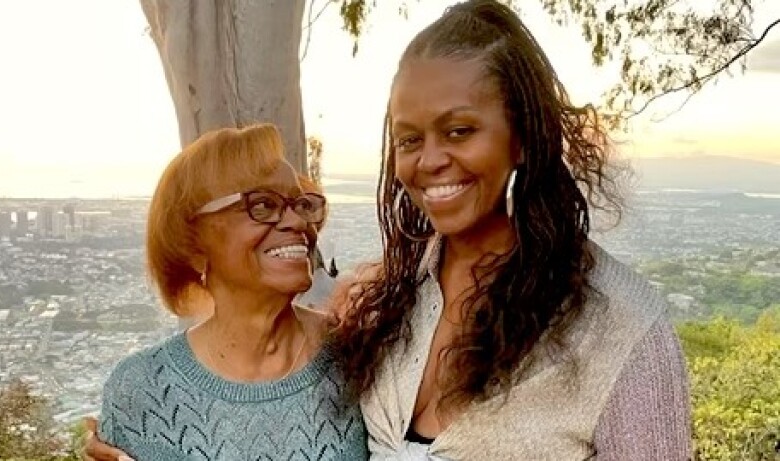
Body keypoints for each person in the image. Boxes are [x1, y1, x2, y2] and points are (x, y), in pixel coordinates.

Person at [333, 1, 691, 459]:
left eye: (459, 130)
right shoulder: (379, 306)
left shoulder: (620, 329)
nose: (430, 160)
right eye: (409, 140)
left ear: (522, 137)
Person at [92, 124, 367, 460]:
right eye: (263, 205)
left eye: (301, 205)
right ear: (192, 244)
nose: (297, 223)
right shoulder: (142, 390)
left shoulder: (359, 354)